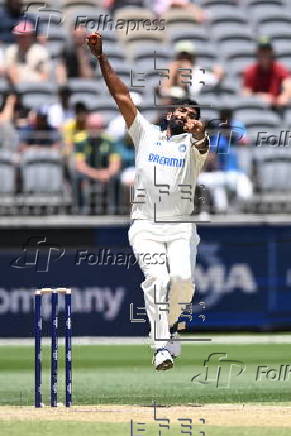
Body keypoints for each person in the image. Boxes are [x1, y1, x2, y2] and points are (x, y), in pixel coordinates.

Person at [87, 32, 209, 370]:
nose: (184, 114)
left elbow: (202, 143)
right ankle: (161, 347)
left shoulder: (193, 147)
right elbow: (120, 95)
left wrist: (198, 132)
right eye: (180, 109)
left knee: (183, 282)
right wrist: (101, 57)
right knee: (158, 280)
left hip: (181, 227)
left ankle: (170, 329)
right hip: (145, 226)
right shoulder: (145, 134)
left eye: (191, 113)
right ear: (169, 113)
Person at [243, 38, 289, 107]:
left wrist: (285, 96)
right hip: (258, 108)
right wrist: (260, 97)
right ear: (257, 53)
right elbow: (245, 93)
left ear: (272, 53)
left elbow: (288, 83)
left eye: (267, 51)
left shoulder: (279, 68)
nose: (264, 54)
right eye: (262, 51)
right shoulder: (250, 71)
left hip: (276, 107)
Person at [4, 20, 50, 85]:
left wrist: (26, 78)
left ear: (31, 36)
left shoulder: (41, 52)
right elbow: (11, 73)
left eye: (25, 36)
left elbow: (45, 76)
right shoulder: (11, 51)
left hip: (36, 87)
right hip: (16, 87)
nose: (22, 39)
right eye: (19, 36)